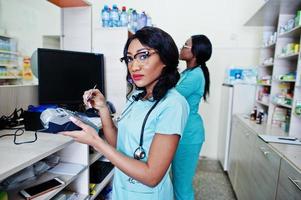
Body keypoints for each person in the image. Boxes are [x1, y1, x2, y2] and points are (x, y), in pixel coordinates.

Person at [63, 26, 189, 200]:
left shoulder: (173, 104)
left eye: (143, 56)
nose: (134, 66)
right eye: (129, 59)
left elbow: (152, 176)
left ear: (166, 58)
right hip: (123, 190)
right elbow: (119, 144)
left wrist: (96, 142)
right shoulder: (137, 96)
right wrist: (103, 109)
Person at [171, 35, 212, 200]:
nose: (182, 47)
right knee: (177, 182)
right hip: (182, 132)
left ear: (195, 52)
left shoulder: (196, 75)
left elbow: (171, 97)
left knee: (182, 186)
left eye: (186, 45)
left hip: (189, 135)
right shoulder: (188, 72)